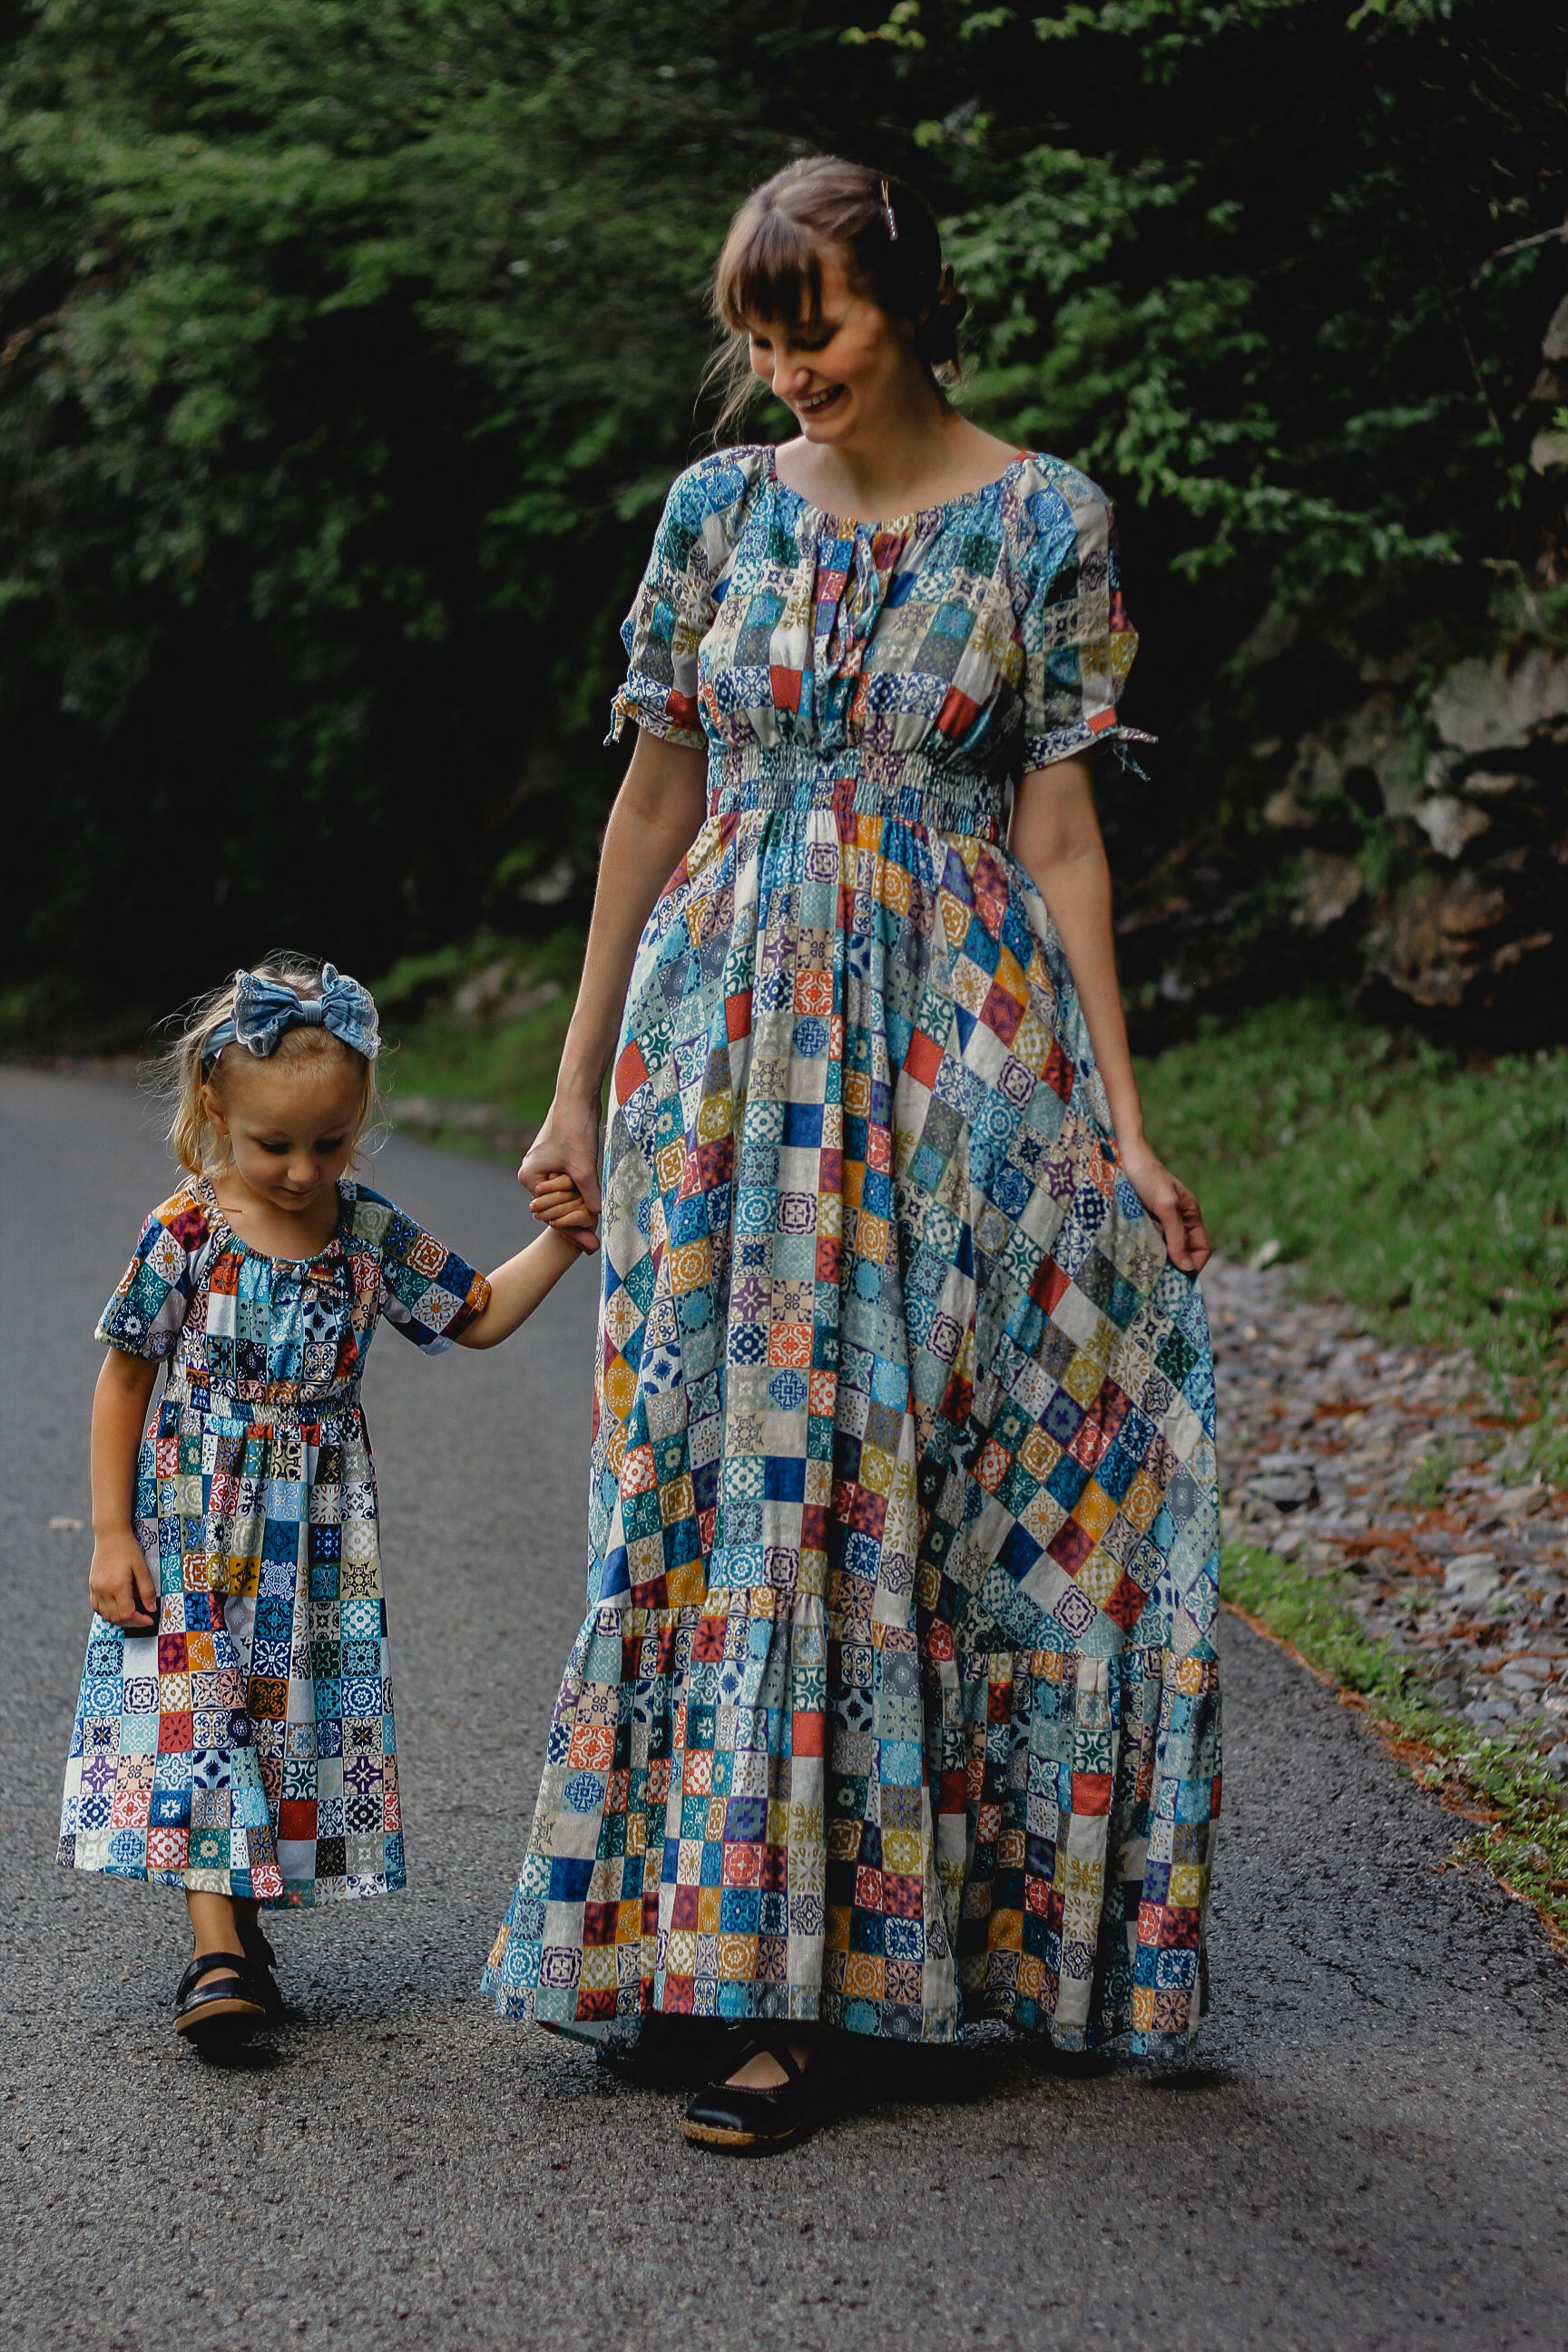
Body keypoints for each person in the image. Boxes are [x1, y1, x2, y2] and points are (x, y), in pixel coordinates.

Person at [484, 155, 1220, 2153]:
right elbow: (650, 807)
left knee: (924, 1466)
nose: (785, 363)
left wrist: (1125, 1128)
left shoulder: (1046, 520)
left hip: (954, 1053)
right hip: (721, 1038)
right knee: (715, 1461)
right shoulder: (714, 514)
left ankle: (871, 1974)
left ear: (906, 298)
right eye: (757, 330)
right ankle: (707, 1951)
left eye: (815, 319)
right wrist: (573, 1090)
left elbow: (1063, 835)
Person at [58, 956, 589, 2047]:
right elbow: (123, 1373)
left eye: (329, 1142)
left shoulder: (368, 1234)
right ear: (216, 1109)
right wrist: (113, 1532)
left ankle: (243, 1927)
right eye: (274, 1145)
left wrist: (566, 1241)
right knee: (197, 1721)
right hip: (193, 1524)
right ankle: (215, 1956)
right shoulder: (186, 1233)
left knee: (280, 1722)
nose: (303, 1170)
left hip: (318, 1538)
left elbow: (475, 1313)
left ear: (359, 1121)